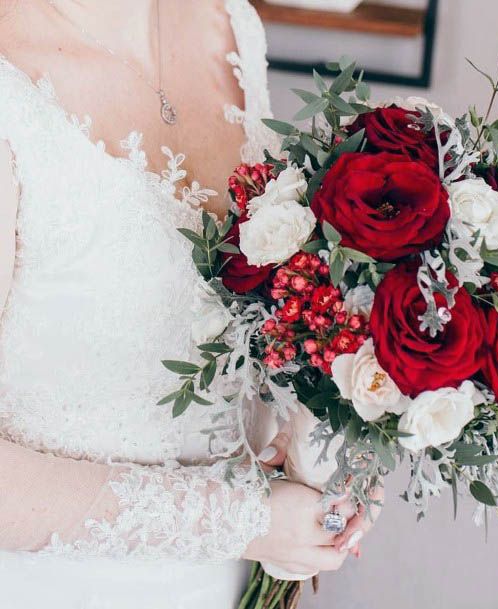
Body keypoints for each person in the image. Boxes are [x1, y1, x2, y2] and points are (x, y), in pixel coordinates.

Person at [0, 2, 380, 607]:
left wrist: (328, 444)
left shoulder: (230, 21)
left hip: (225, 588)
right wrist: (246, 521)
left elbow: (252, 322)